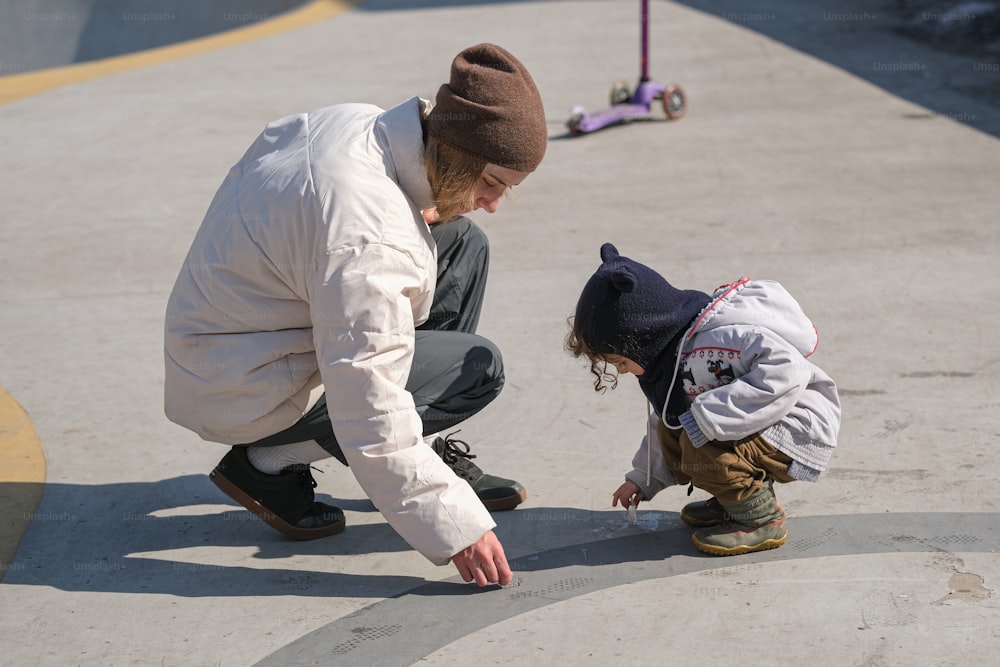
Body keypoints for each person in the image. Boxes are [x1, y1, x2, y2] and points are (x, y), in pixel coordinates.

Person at [163, 43, 548, 587]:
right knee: (475, 368)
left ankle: (419, 448)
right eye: (491, 184)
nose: (493, 202)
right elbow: (367, 396)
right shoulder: (369, 235)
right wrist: (452, 524)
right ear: (456, 154)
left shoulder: (361, 126)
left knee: (463, 242)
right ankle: (268, 465)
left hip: (223, 344)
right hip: (244, 389)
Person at [566, 243, 841, 555]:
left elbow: (789, 370)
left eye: (621, 363)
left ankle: (758, 517)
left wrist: (708, 415)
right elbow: (665, 417)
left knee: (699, 434)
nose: (625, 372)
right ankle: (732, 500)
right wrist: (642, 479)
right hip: (763, 428)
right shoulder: (671, 359)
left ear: (644, 339)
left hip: (797, 428)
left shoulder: (719, 341)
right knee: (678, 427)